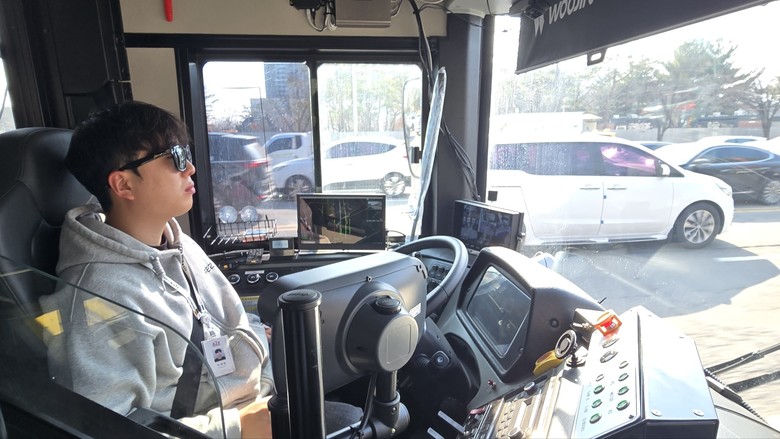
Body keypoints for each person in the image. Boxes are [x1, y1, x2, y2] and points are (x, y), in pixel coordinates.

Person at [39, 101, 360, 439]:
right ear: (123, 185)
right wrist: (237, 428)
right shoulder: (96, 297)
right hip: (220, 427)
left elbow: (219, 320)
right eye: (174, 158)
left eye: (186, 153)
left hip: (258, 396)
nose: (190, 168)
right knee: (356, 422)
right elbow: (109, 428)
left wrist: (260, 335)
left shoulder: (179, 245)